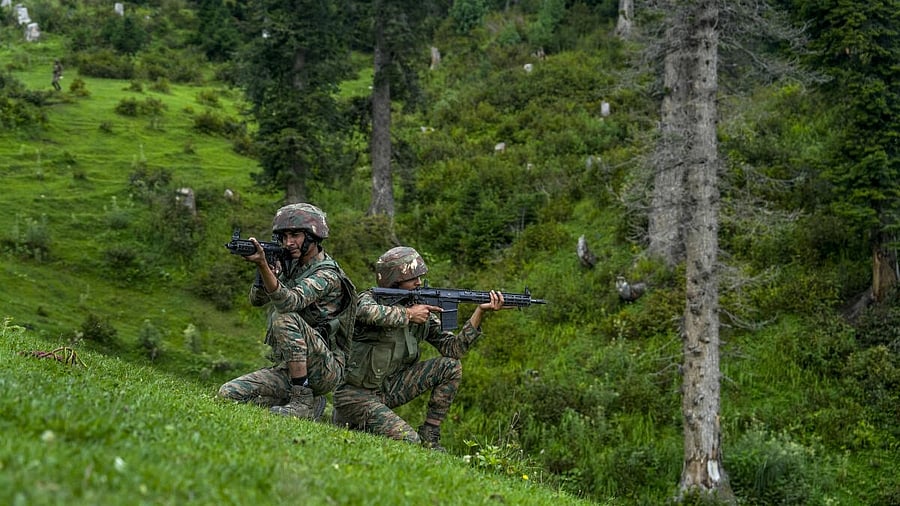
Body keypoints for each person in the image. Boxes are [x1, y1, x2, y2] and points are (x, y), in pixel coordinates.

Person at [332, 246, 509, 451]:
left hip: (388, 390)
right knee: (409, 441)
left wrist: (480, 312)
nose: (418, 283)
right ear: (394, 281)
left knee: (450, 366)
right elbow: (364, 311)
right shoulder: (369, 300)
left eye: (420, 277)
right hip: (354, 396)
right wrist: (408, 315)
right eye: (412, 278)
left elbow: (454, 349)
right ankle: (361, 422)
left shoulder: (421, 312)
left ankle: (430, 437)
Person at [218, 203, 356, 421]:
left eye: (295, 235)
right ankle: (309, 402)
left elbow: (289, 303)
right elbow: (256, 300)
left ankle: (302, 401)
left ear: (313, 235)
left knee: (283, 318)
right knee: (229, 393)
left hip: (325, 367)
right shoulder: (291, 266)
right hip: (290, 368)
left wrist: (264, 265)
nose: (288, 242)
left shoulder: (327, 274)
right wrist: (267, 271)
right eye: (283, 236)